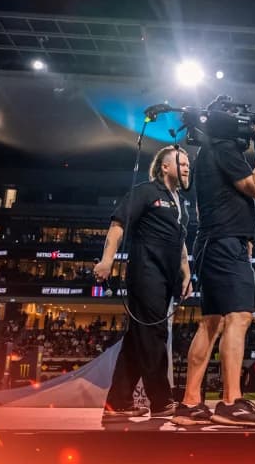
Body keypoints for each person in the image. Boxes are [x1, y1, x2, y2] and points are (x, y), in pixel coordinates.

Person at [171, 123, 255, 427]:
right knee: (239, 317)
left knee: (212, 322)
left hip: (213, 243)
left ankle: (190, 402)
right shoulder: (225, 148)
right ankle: (231, 402)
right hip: (225, 243)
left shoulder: (211, 150)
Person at [95, 145, 192, 420]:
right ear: (164, 167)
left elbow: (180, 242)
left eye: (188, 164)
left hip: (167, 280)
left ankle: (117, 404)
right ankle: (162, 401)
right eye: (181, 163)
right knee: (154, 335)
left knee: (136, 340)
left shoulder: (180, 204)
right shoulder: (146, 191)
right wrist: (107, 260)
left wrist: (186, 273)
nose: (187, 168)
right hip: (145, 275)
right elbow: (117, 225)